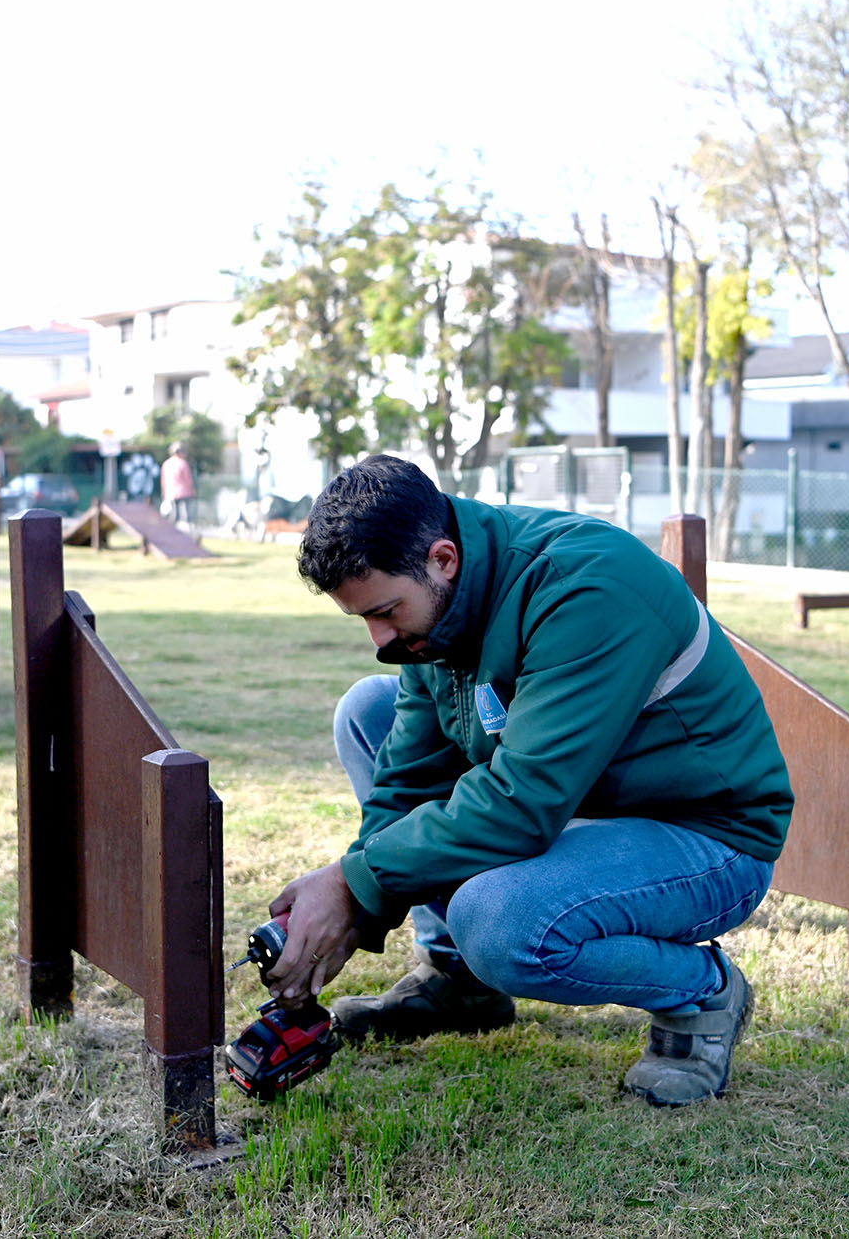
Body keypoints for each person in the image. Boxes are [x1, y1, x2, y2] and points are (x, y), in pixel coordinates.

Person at [263, 455, 793, 1107]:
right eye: (364, 618)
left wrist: (352, 879)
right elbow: (408, 774)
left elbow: (520, 804)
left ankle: (702, 992)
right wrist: (359, 901)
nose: (379, 636)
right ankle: (459, 977)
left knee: (500, 919)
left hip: (706, 835)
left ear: (443, 558)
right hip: (579, 805)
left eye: (386, 610)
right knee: (367, 711)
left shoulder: (586, 587)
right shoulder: (438, 612)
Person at [162, 441, 197, 528]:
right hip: (184, 491)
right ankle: (189, 528)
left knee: (174, 514)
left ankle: (172, 529)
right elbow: (188, 479)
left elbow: (163, 480)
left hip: (170, 492)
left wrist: (164, 492)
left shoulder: (166, 464)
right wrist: (192, 489)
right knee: (186, 513)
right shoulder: (183, 463)